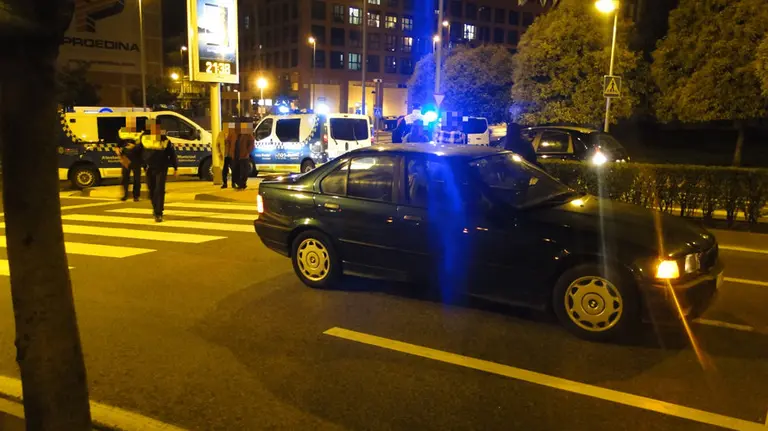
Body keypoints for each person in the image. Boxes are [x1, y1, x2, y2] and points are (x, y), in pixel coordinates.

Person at [141, 119, 178, 222]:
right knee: (152, 190)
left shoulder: (164, 139)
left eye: (157, 127)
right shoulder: (144, 139)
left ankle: (159, 213)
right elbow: (139, 152)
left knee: (160, 189)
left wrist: (175, 167)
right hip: (149, 168)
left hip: (162, 167)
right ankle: (155, 208)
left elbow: (171, 153)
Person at [117, 117, 144, 201]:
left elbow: (143, 145)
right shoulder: (122, 132)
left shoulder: (139, 133)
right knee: (125, 178)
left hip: (136, 158)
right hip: (125, 158)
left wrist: (134, 146)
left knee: (137, 179)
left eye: (132, 122)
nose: (130, 124)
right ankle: (125, 195)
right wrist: (119, 154)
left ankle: (136, 196)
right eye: (128, 122)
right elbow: (118, 145)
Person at [231, 122, 255, 190]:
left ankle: (242, 184)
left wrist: (247, 152)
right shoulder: (237, 135)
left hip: (243, 156)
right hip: (236, 156)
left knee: (244, 171)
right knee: (236, 170)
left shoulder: (248, 135)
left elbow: (252, 145)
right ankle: (240, 183)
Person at [217, 122, 237, 188]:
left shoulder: (234, 134)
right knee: (224, 170)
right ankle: (225, 183)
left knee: (234, 169)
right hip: (224, 155)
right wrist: (219, 153)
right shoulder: (220, 134)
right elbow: (217, 144)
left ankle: (233, 183)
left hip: (231, 155)